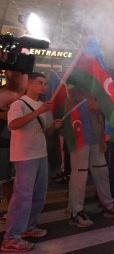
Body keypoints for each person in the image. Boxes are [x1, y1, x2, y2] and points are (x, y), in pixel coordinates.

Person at [1, 72, 62, 252]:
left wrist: (53, 127)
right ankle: (11, 238)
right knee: (22, 196)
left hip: (40, 154)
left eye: (45, 83)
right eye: (40, 83)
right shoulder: (18, 104)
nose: (44, 86)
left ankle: (29, 227)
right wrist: (38, 112)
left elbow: (45, 133)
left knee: (39, 194)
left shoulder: (44, 106)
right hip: (24, 156)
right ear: (29, 84)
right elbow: (13, 125)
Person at [66, 87, 114, 228]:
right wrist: (88, 106)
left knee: (102, 172)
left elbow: (99, 117)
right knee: (79, 175)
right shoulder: (72, 92)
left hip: (95, 139)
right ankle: (76, 211)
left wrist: (101, 139)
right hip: (80, 139)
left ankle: (108, 206)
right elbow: (68, 114)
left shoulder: (95, 91)